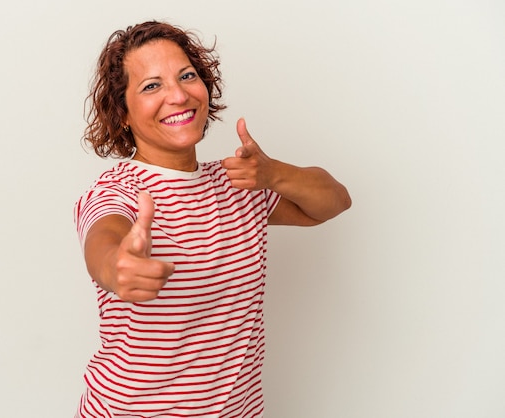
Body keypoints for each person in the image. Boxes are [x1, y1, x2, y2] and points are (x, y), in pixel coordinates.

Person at [73, 20, 351, 418]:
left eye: (187, 76)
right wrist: (117, 267)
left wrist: (272, 173)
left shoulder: (237, 182)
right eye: (152, 86)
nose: (178, 94)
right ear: (123, 115)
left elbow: (334, 201)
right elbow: (104, 240)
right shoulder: (118, 190)